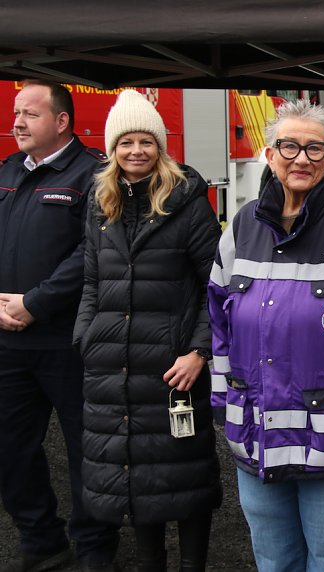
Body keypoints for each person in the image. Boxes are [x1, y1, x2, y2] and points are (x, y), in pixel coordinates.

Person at [208, 100, 324, 572]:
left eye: (315, 148)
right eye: (290, 146)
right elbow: (218, 323)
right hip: (256, 435)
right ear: (270, 154)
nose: (301, 158)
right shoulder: (242, 226)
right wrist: (222, 402)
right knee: (273, 561)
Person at [73, 89, 222, 571]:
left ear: (161, 147)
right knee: (135, 479)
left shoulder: (189, 205)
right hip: (113, 367)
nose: (136, 151)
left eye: (146, 142)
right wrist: (87, 334)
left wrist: (199, 351)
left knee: (188, 479)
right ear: (112, 149)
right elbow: (93, 280)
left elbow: (214, 288)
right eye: (126, 143)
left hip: (173, 370)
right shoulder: (100, 203)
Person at [0, 80, 120, 572]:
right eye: (15, 113)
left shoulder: (91, 175)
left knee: (85, 451)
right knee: (10, 449)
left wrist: (37, 302)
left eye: (30, 114)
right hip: (8, 341)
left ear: (62, 121)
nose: (17, 123)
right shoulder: (7, 172)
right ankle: (41, 540)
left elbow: (92, 252)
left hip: (68, 341)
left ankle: (94, 551)